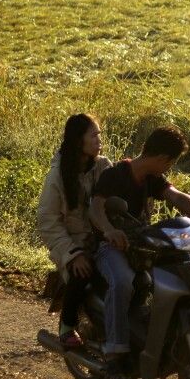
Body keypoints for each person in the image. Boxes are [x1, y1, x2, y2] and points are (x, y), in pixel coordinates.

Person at [89, 125, 190, 379]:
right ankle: (115, 356)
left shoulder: (151, 178)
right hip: (109, 246)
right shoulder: (115, 174)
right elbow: (95, 209)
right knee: (122, 282)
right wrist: (108, 230)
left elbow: (177, 197)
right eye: (171, 162)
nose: (170, 168)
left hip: (140, 245)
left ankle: (156, 340)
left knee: (175, 275)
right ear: (163, 159)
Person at [36, 113, 112, 349]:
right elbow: (47, 221)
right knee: (84, 271)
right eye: (94, 135)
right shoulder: (58, 175)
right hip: (73, 243)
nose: (99, 139)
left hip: (103, 238)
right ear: (79, 140)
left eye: (100, 134)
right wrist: (73, 253)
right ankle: (67, 325)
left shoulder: (103, 166)